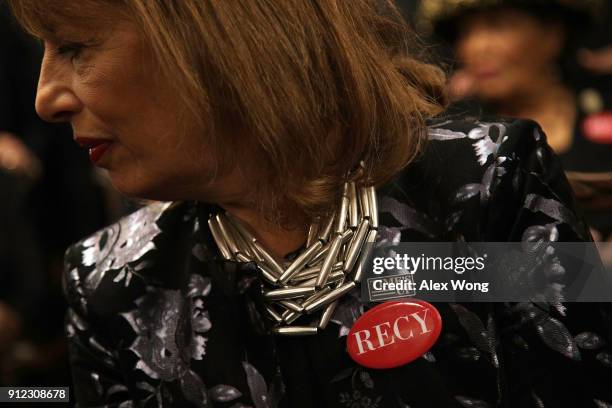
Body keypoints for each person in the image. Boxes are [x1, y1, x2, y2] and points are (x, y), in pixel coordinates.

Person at [8, 1, 612, 407]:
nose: (45, 98)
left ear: (211, 39)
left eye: (75, 46)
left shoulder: (488, 180)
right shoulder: (109, 283)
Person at [420, 0, 612, 242]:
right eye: (465, 33)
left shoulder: (603, 111)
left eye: (496, 26)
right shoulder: (450, 141)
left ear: (552, 34)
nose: (476, 47)